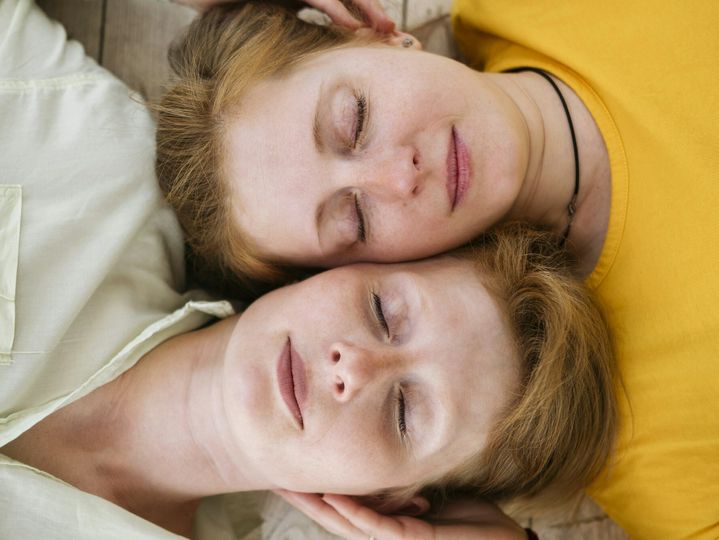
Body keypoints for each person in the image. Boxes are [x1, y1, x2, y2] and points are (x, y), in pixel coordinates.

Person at [0, 1, 615, 538]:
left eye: (404, 413)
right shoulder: (80, 147)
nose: (356, 367)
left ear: (395, 499)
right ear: (331, 269)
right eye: (381, 311)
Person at [156, 2, 719, 538]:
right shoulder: (639, 437)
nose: (398, 176)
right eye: (355, 219)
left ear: (375, 32)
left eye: (356, 119)